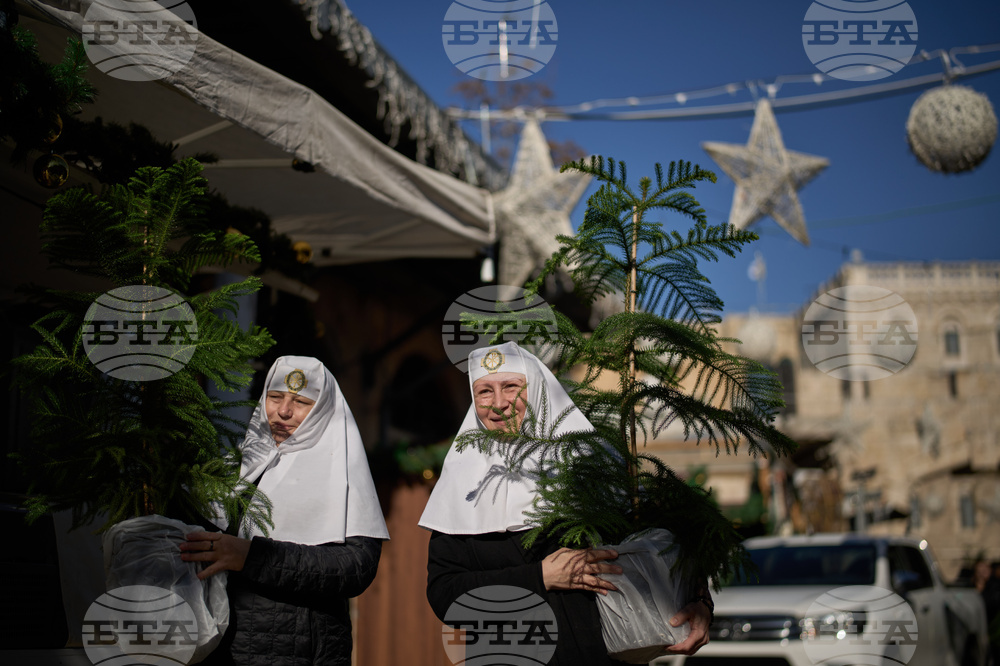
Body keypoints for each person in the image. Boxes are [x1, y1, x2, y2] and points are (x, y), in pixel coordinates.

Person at [419, 342, 712, 665]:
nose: (499, 403)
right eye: (484, 391)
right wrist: (539, 577)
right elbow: (446, 595)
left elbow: (669, 545)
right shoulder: (463, 483)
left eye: (512, 387)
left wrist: (700, 602)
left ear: (539, 390)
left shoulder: (590, 460)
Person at [179, 356, 389, 666]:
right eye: (275, 397)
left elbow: (355, 567)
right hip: (223, 647)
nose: (283, 411)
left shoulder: (342, 472)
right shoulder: (237, 466)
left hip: (304, 650)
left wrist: (252, 557)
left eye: (301, 401)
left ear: (323, 409)